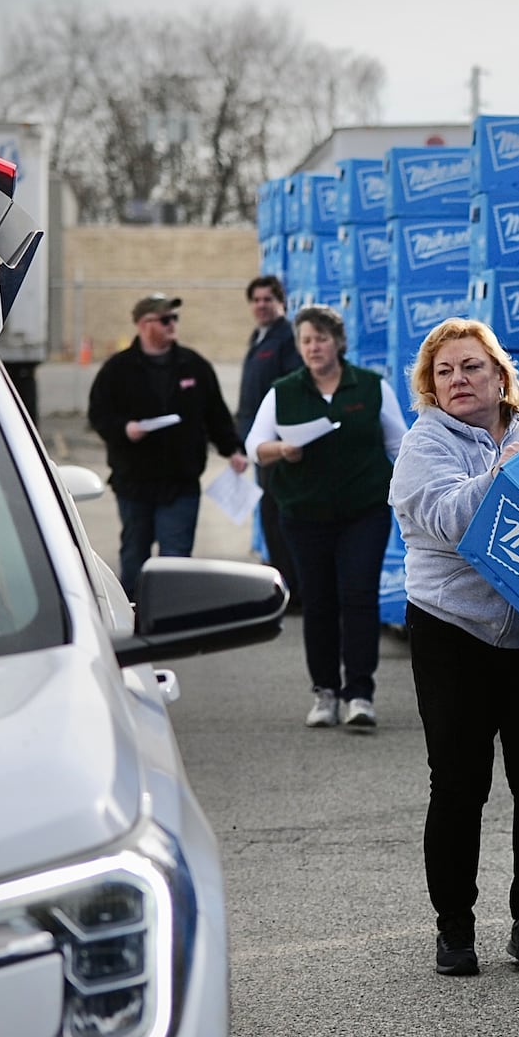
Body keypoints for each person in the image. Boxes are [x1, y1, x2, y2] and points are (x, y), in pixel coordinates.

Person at [387, 317, 519, 978]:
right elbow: (447, 517)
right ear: (430, 388)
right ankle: (455, 930)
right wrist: (506, 474)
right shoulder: (423, 442)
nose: (459, 380)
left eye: (471, 367)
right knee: (461, 785)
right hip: (452, 628)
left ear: (500, 375)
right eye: (445, 372)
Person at [245, 304, 406, 729]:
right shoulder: (284, 390)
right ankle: (324, 692)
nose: (314, 347)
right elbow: (254, 445)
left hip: (363, 511)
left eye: (321, 338)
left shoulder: (371, 387)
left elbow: (400, 445)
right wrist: (282, 449)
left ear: (339, 342)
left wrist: (412, 495)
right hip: (304, 514)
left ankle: (360, 692)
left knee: (358, 596)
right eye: (306, 340)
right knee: (318, 601)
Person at [88, 292, 249, 596]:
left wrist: (233, 450)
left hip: (181, 481)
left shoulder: (194, 366)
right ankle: (135, 617)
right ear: (143, 324)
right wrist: (124, 429)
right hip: (134, 482)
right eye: (165, 319)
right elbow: (99, 414)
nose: (172, 324)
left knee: (176, 557)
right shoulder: (118, 369)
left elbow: (215, 414)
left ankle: (172, 619)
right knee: (135, 555)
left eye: (174, 318)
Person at [235, 275, 302, 606]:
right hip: (259, 444)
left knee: (280, 518)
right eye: (256, 300)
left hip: (277, 446)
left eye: (267, 299)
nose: (261, 305)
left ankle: (293, 591)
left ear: (281, 303)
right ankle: (284, 585)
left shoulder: (286, 338)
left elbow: (287, 391)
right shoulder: (259, 337)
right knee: (270, 517)